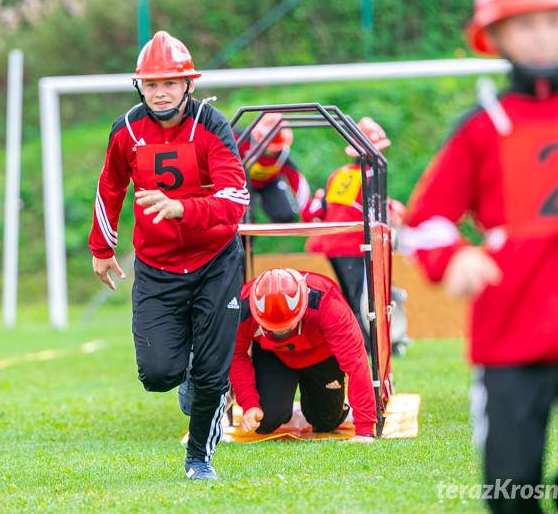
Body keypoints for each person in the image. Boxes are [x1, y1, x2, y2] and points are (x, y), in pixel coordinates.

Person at [401, 0, 558, 512]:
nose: (540, 35)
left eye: (552, 20)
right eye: (522, 24)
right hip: (510, 331)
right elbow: (426, 223)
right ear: (492, 38)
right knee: (510, 489)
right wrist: (456, 257)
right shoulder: (482, 127)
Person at [89, 30, 248, 481]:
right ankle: (190, 373)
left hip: (216, 261)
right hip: (157, 267)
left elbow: (236, 200)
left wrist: (184, 208)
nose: (160, 93)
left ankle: (199, 459)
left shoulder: (212, 125)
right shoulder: (125, 130)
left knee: (215, 373)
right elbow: (110, 188)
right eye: (152, 84)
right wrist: (102, 248)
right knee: (159, 373)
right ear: (140, 86)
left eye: (170, 84)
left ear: (188, 85)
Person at [229, 268, 376, 441]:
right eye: (272, 328)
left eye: (285, 328)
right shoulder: (243, 306)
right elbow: (236, 354)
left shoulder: (327, 302)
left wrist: (364, 429)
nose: (280, 334)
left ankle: (333, 404)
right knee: (264, 422)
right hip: (274, 356)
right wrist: (249, 403)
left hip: (321, 355)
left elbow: (356, 361)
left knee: (325, 421)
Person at [302, 117, 404, 351]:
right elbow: (375, 213)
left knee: (353, 298)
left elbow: (321, 211)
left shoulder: (338, 174)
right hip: (355, 244)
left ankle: (362, 345)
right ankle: (366, 348)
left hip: (334, 243)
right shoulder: (372, 175)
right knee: (363, 301)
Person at [238, 113, 311, 223]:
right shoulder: (239, 139)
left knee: (286, 215)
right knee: (245, 217)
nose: (272, 152)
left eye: (276, 148)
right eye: (268, 147)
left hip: (269, 184)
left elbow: (299, 184)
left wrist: (308, 214)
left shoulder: (283, 158)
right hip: (243, 183)